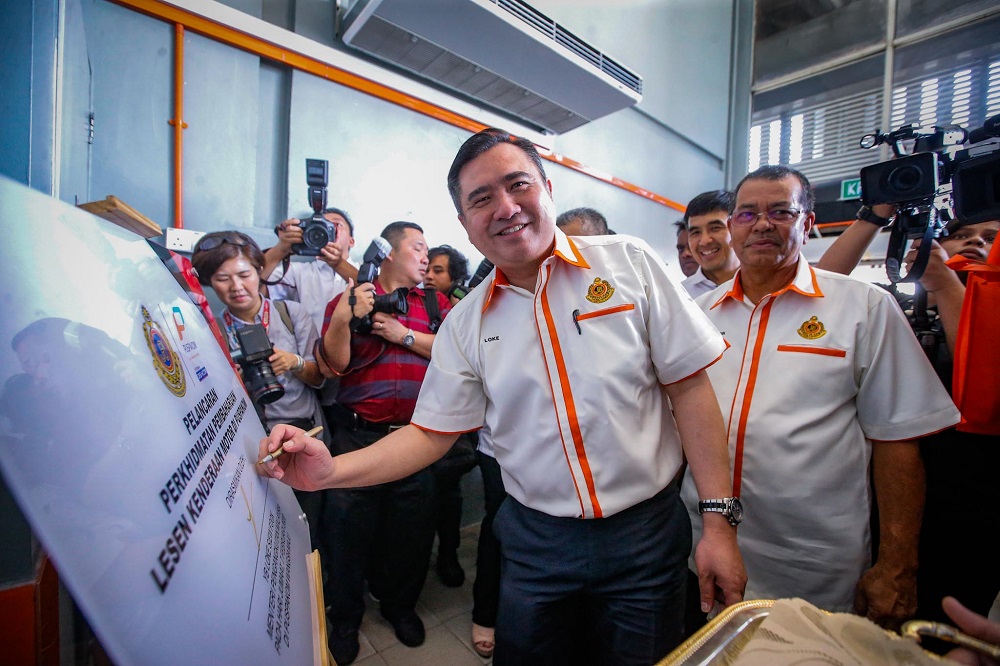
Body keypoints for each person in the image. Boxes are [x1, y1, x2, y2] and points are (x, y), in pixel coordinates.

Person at [260, 127, 746, 665]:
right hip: (536, 543)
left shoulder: (627, 264)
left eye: (518, 185)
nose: (506, 207)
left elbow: (690, 388)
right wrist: (331, 472)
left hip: (644, 537)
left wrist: (718, 524)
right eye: (482, 199)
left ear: (547, 188)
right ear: (466, 224)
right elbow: (429, 434)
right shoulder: (465, 322)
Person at [680, 165, 961, 634]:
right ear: (733, 228)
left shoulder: (862, 307)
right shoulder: (697, 316)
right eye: (747, 214)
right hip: (704, 546)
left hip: (815, 561)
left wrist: (897, 565)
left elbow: (898, 441)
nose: (763, 224)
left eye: (781, 212)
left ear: (808, 224)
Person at [818, 209, 1000, 647]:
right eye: (961, 234)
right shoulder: (892, 307)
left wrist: (946, 284)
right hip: (887, 490)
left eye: (990, 237)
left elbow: (982, 376)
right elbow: (822, 288)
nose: (974, 241)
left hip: (967, 500)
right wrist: (872, 216)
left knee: (945, 623)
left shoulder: (984, 310)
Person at [313, 221, 451, 664]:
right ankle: (345, 619)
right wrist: (342, 317)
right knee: (347, 537)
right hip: (358, 438)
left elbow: (458, 354)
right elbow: (334, 365)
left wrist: (402, 335)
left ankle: (399, 607)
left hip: (417, 441)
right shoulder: (352, 298)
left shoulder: (436, 302)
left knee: (411, 538)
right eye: (417, 248)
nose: (426, 257)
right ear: (388, 253)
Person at [190, 231, 327, 548]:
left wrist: (293, 362)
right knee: (258, 531)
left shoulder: (290, 313)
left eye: (244, 275)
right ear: (211, 282)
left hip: (301, 431)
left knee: (307, 525)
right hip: (247, 440)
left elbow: (320, 378)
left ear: (258, 272)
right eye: (223, 279)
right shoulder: (211, 331)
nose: (236, 287)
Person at [421, 243, 478, 588]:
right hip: (419, 419)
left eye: (438, 271)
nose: (428, 275)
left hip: (454, 421)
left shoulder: (466, 309)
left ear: (456, 279)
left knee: (449, 497)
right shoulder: (410, 304)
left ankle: (448, 555)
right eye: (426, 268)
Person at [681, 190, 740, 297]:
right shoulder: (679, 296)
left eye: (715, 228)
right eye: (695, 232)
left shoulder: (764, 288)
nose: (704, 241)